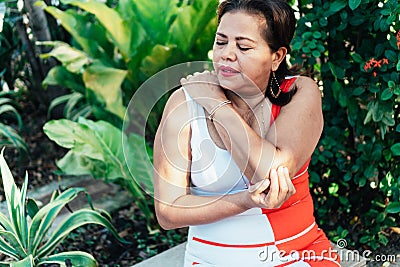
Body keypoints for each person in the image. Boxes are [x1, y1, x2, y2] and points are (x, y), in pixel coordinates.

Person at [153, 0, 340, 266]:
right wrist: (243, 201)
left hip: (298, 254)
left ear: (276, 57)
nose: (227, 54)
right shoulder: (184, 104)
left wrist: (217, 105)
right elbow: (168, 211)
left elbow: (270, 175)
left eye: (243, 46)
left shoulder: (299, 92)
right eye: (221, 42)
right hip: (211, 260)